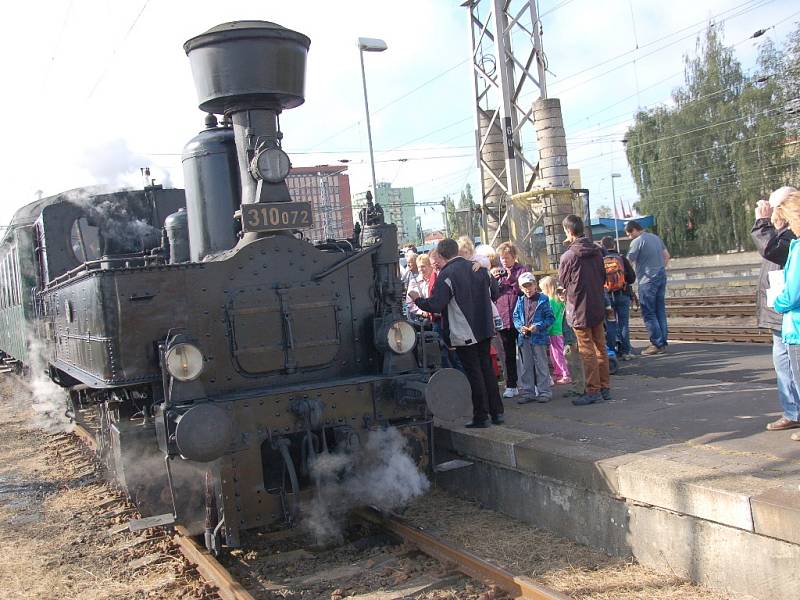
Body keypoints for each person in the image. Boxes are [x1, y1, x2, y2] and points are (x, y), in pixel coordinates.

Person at [409, 238, 504, 427]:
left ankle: (481, 416)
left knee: (473, 372)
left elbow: (436, 305)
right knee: (486, 370)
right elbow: (494, 292)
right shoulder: (477, 268)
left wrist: (418, 299)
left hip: (463, 330)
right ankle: (497, 412)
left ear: (442, 254)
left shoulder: (447, 275)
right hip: (484, 326)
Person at [753, 186, 800, 432]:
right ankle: (792, 411)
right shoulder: (783, 232)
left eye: (773, 208)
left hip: (789, 311)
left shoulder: (791, 235)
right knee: (784, 364)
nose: (770, 213)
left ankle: (794, 411)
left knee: (793, 365)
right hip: (781, 312)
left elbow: (771, 250)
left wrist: (761, 222)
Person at [558, 214, 610, 406]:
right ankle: (605, 388)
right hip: (597, 305)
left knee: (586, 350)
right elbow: (603, 276)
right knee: (600, 348)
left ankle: (592, 390)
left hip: (579, 308)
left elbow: (563, 282)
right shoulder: (597, 251)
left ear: (569, 232)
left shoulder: (568, 256)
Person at [625, 220, 670, 355]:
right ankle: (663, 342)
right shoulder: (656, 238)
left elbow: (628, 262)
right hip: (661, 277)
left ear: (634, 230)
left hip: (647, 280)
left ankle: (656, 344)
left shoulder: (637, 242)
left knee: (649, 313)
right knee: (659, 310)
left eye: (628, 234)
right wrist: (659, 269)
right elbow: (667, 256)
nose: (629, 237)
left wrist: (628, 278)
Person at [491, 242, 529, 398]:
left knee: (526, 353)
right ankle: (511, 384)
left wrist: (510, 278)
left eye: (507, 258)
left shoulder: (522, 270)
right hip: (504, 318)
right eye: (502, 258)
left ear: (514, 257)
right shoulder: (496, 273)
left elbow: (523, 290)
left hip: (520, 318)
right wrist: (493, 280)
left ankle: (530, 384)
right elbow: (492, 294)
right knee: (508, 354)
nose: (504, 261)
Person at [513, 273, 555, 403]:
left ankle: (544, 391)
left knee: (541, 365)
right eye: (524, 286)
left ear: (535, 285)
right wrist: (520, 327)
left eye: (529, 285)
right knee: (526, 366)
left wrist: (538, 326)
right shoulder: (520, 301)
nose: (527, 289)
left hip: (539, 337)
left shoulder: (543, 299)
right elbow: (515, 317)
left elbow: (550, 318)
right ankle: (528, 392)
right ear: (520, 288)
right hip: (524, 337)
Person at [600, 236, 636, 360]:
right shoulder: (621, 259)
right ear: (614, 245)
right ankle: (626, 352)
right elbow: (632, 278)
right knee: (623, 323)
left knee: (610, 324)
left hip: (607, 298)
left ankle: (611, 353)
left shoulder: (600, 261)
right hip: (622, 295)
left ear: (602, 246)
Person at [539, 275, 570, 384]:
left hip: (554, 331)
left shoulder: (551, 301)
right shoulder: (558, 300)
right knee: (554, 354)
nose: (541, 291)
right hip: (557, 330)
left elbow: (551, 318)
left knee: (558, 354)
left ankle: (565, 374)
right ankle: (558, 372)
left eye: (542, 289)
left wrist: (546, 330)